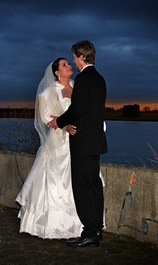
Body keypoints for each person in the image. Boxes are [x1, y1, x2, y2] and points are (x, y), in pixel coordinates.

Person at [47, 40, 107, 247]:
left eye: (74, 56)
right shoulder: (100, 79)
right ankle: (97, 230)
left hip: (82, 143)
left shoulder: (83, 79)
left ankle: (89, 232)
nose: (73, 60)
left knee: (82, 188)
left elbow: (77, 110)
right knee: (94, 186)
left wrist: (58, 121)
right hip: (95, 142)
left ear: (82, 57)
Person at [15, 57, 82, 239]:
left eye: (69, 63)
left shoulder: (78, 88)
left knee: (77, 179)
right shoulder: (48, 92)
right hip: (58, 142)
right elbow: (45, 116)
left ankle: (80, 224)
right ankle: (52, 224)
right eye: (64, 65)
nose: (69, 66)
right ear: (56, 73)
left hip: (78, 141)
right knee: (56, 180)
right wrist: (65, 126)